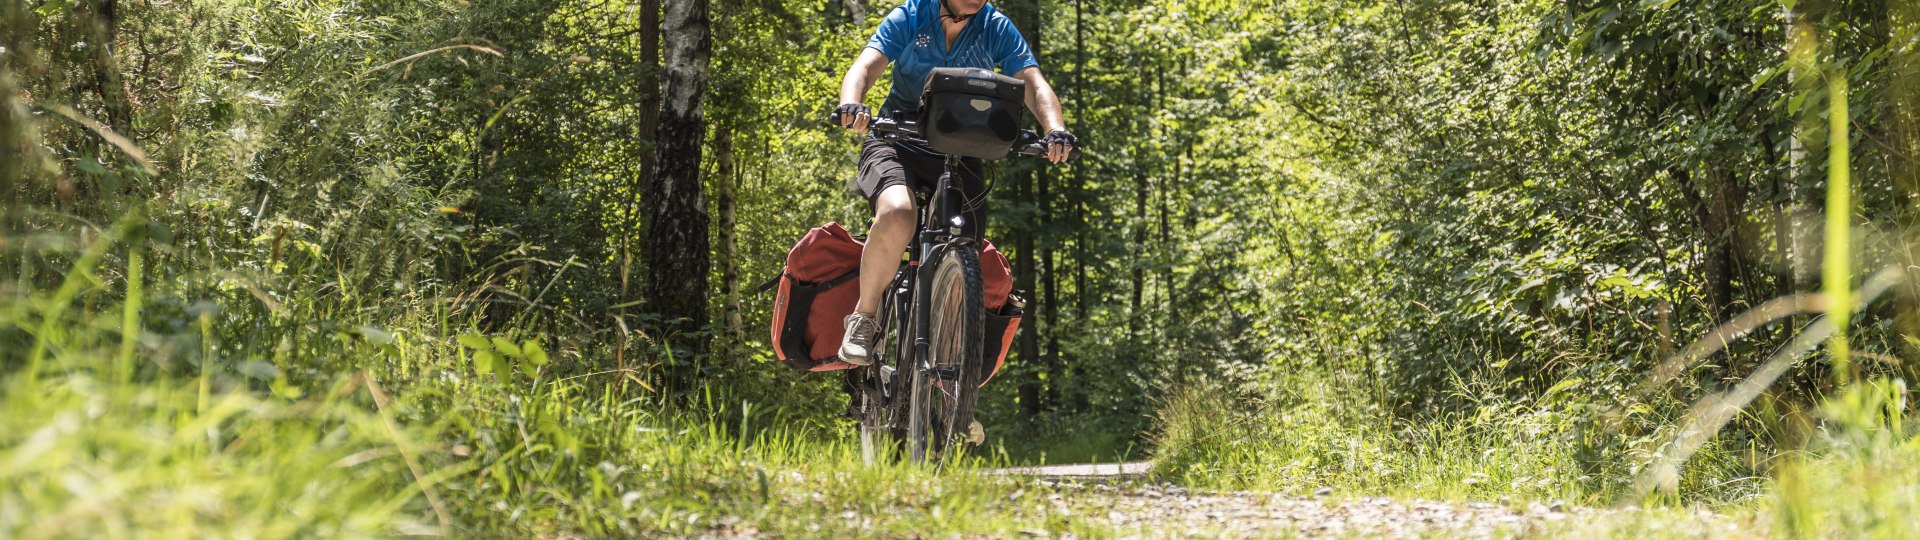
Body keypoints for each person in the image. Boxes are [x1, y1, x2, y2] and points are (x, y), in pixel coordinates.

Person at [830, 0, 1075, 366]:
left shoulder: (994, 26)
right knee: (898, 213)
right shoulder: (912, 15)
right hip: (898, 139)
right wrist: (853, 104)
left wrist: (1054, 129)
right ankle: (865, 317)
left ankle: (950, 382)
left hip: (961, 148)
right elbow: (866, 65)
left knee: (966, 252)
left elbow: (1033, 84)